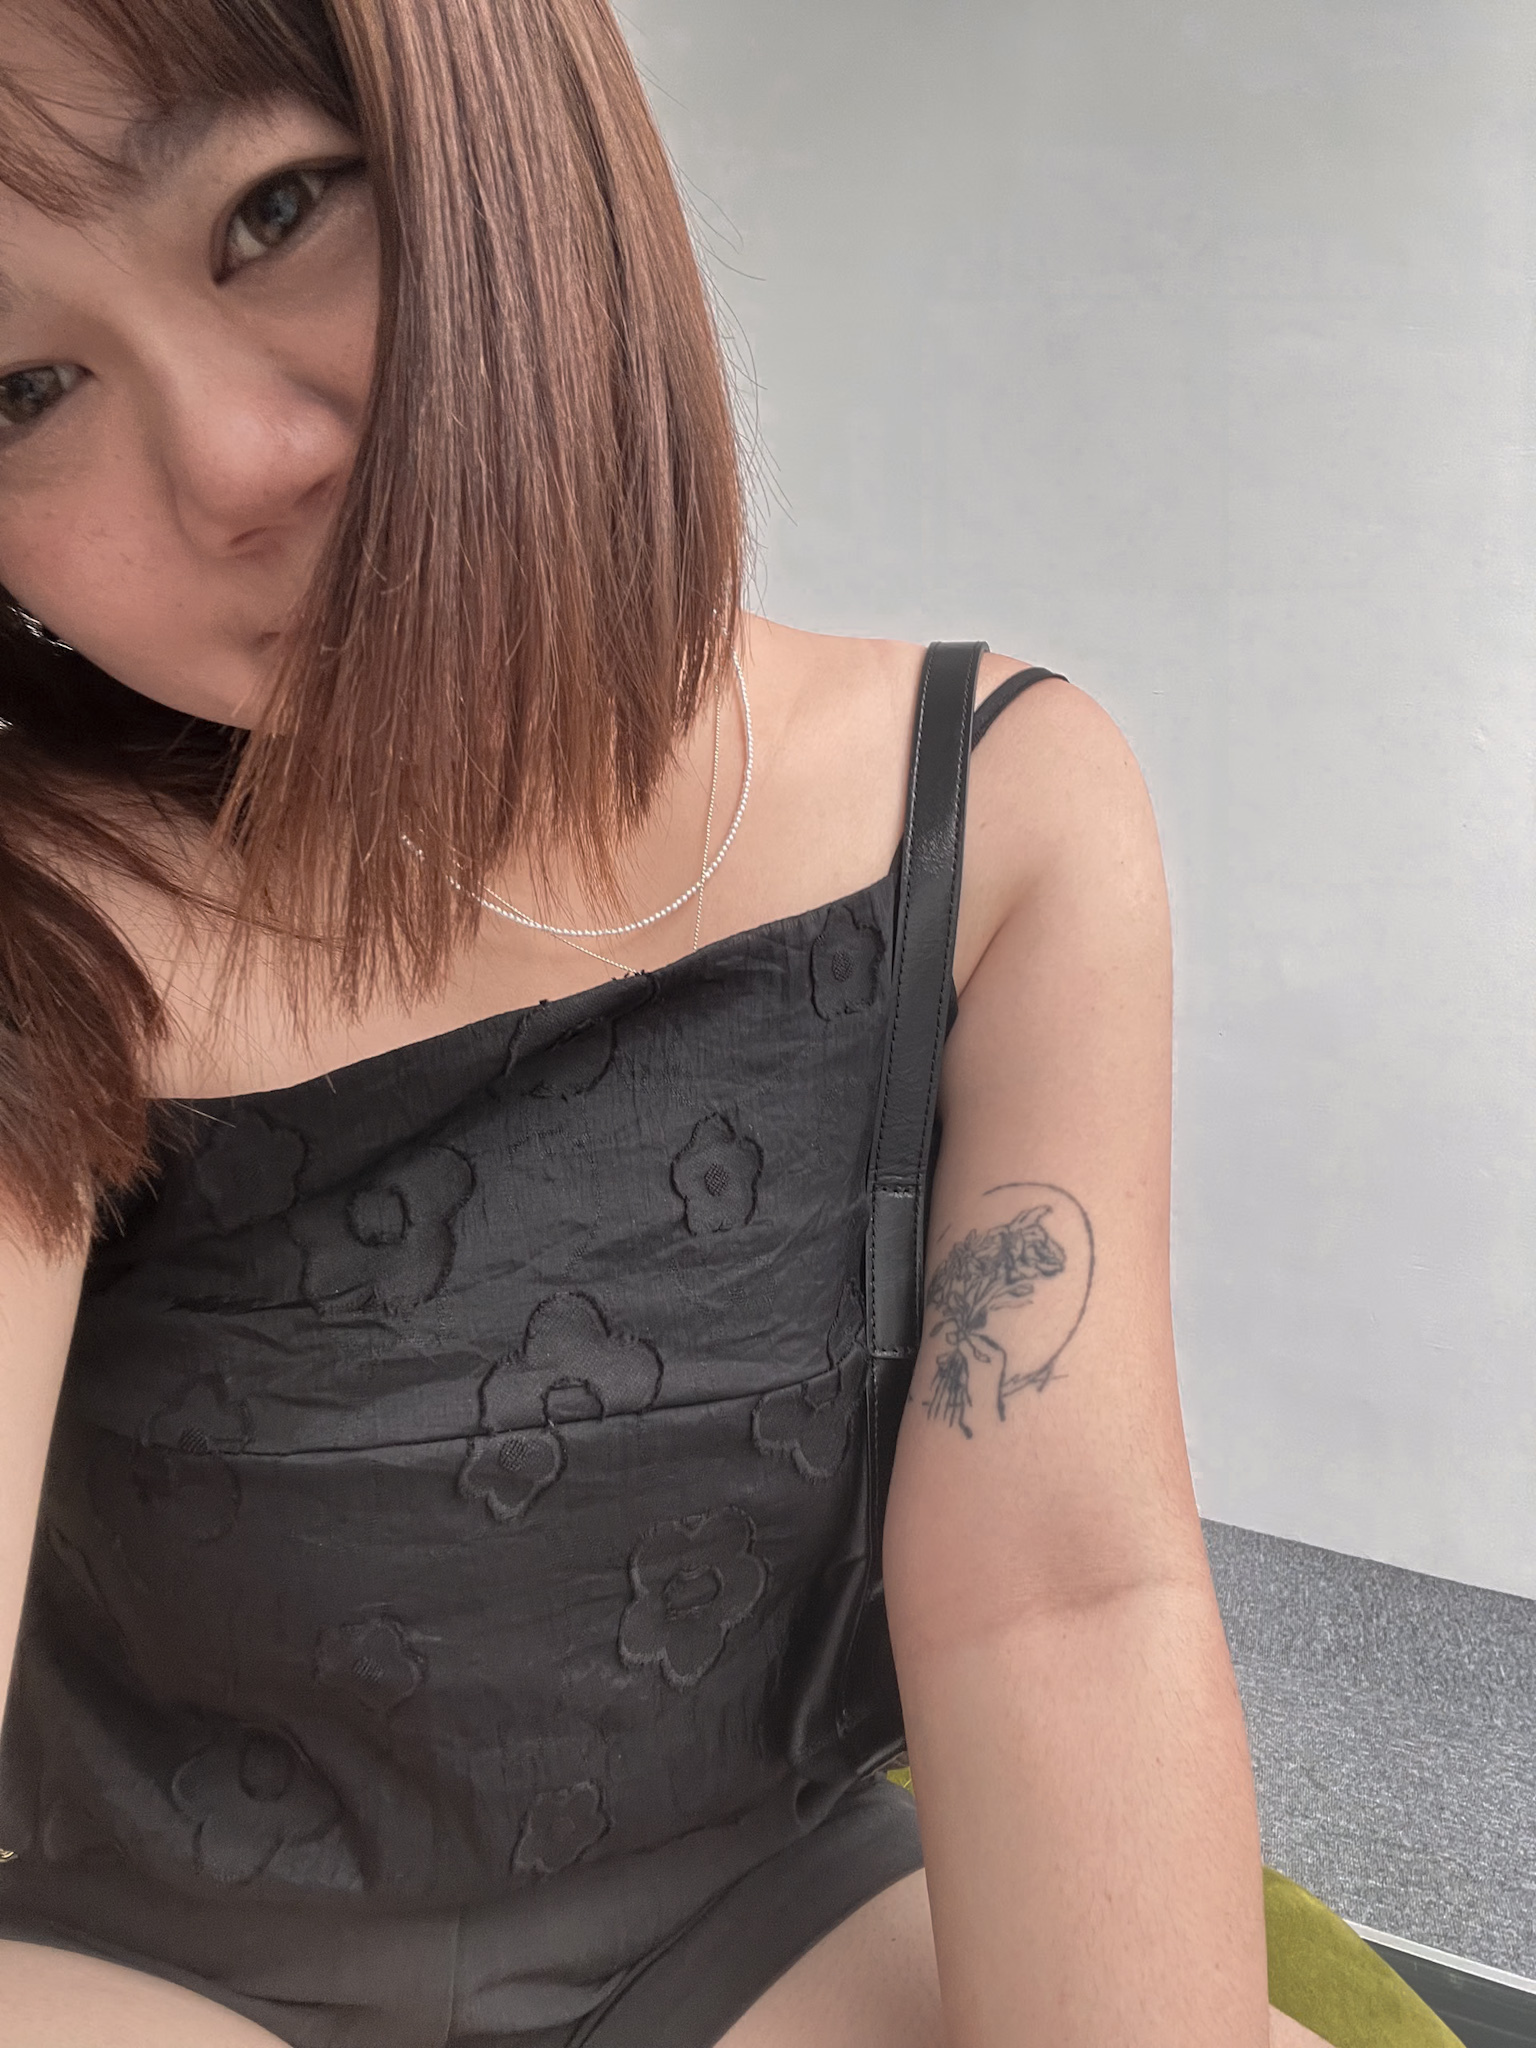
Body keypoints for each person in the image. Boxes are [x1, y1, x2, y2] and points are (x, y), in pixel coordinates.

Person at [0, 2, 1330, 2043]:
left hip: (742, 1912)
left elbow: (1062, 1608)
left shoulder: (997, 820)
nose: (237, 465)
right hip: (138, 1964)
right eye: (20, 388)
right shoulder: (48, 914)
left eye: (272, 210)